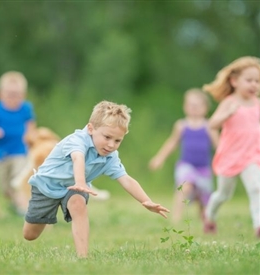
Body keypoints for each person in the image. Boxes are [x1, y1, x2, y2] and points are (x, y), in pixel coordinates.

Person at [22, 100, 170, 258]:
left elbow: (126, 179)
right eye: (107, 137)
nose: (111, 145)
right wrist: (80, 182)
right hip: (46, 186)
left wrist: (145, 201)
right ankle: (45, 214)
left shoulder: (109, 156)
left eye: (117, 140)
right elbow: (78, 158)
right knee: (30, 235)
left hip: (76, 188)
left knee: (78, 202)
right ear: (91, 128)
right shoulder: (77, 140)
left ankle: (83, 257)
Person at [202, 56, 260, 238]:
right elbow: (212, 125)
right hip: (230, 156)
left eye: (257, 81)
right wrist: (226, 114)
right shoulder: (229, 102)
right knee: (223, 194)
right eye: (249, 80)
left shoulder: (257, 104)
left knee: (256, 188)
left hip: (251, 155)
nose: (254, 85)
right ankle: (210, 216)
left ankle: (258, 225)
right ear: (234, 81)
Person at [148, 89, 219, 223]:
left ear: (205, 108)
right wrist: (159, 158)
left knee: (203, 197)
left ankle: (206, 219)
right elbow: (171, 143)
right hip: (186, 165)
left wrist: (226, 161)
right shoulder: (181, 125)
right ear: (185, 107)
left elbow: (218, 146)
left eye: (197, 106)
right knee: (185, 187)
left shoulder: (209, 126)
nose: (194, 108)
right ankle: (176, 218)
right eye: (190, 105)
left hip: (203, 168)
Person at [0, 71, 36, 215]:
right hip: (1, 154)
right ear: (0, 94)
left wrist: (30, 138)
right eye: (10, 94)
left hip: (20, 151)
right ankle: (15, 204)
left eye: (17, 94)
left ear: (23, 95)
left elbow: (30, 125)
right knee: (5, 187)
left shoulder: (26, 108)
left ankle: (25, 209)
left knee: (18, 180)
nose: (13, 98)